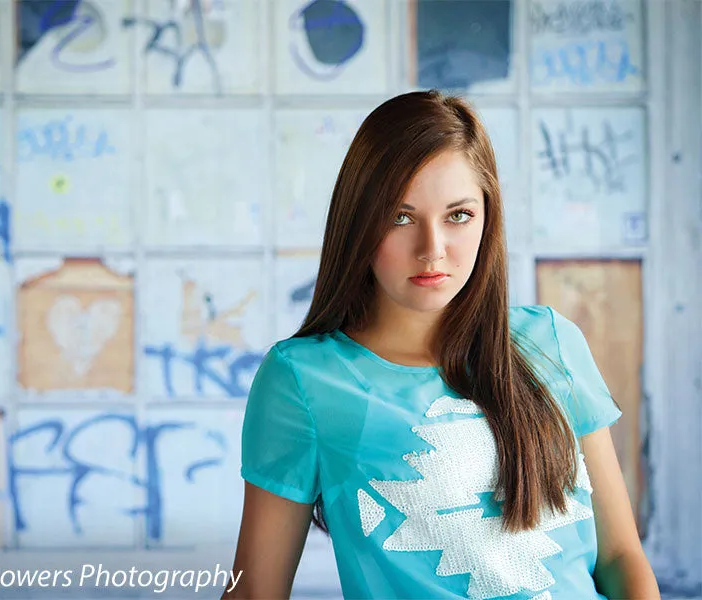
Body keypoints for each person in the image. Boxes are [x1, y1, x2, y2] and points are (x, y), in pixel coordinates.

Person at [223, 91, 659, 600]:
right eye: (400, 217)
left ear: (487, 218)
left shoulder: (552, 342)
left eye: (458, 215)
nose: (433, 250)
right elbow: (256, 592)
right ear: (359, 220)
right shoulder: (304, 381)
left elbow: (619, 558)